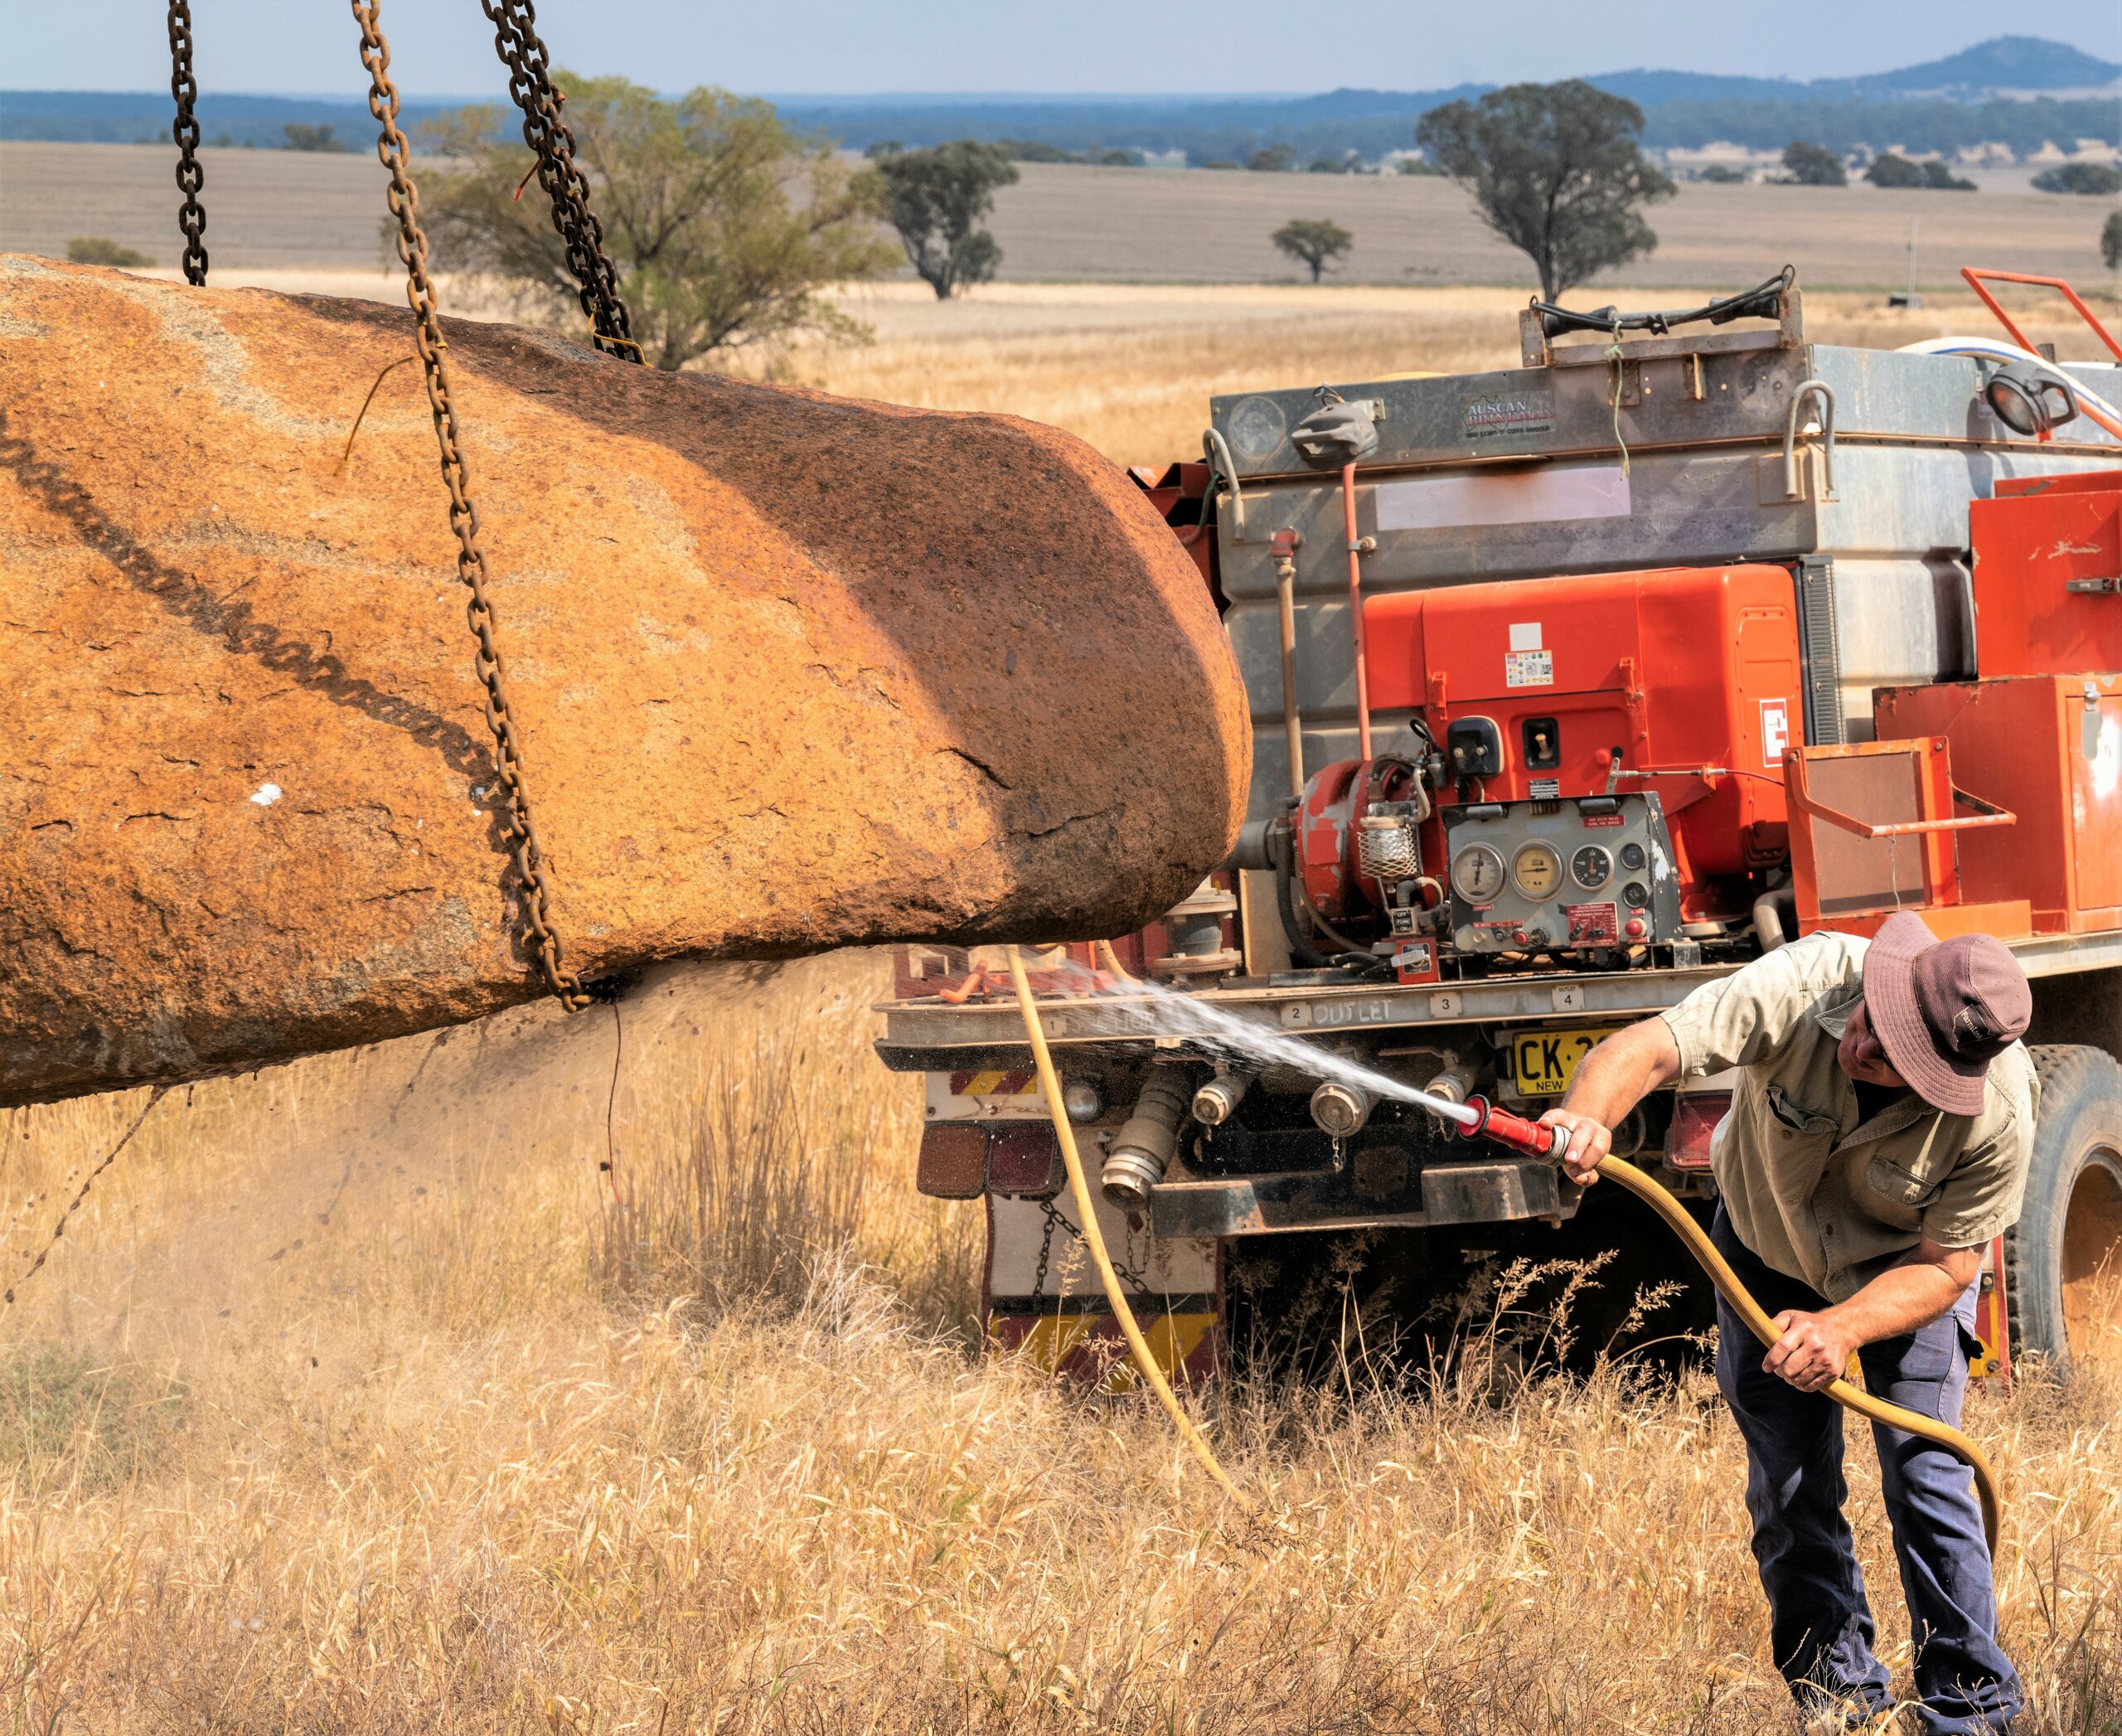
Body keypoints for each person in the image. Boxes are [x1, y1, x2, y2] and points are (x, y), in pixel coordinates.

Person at [1542, 912, 2032, 1734]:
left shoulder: (1998, 1116)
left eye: (1893, 1057)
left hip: (1897, 1281)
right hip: (1763, 1255)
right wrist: (1587, 1114)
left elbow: (1950, 1267)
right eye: (1875, 1021)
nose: (1861, 1046)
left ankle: (1970, 1710)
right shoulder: (1808, 982)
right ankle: (1839, 1703)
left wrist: (1840, 1329)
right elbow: (1650, 1048)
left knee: (1925, 1476)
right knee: (1790, 1487)